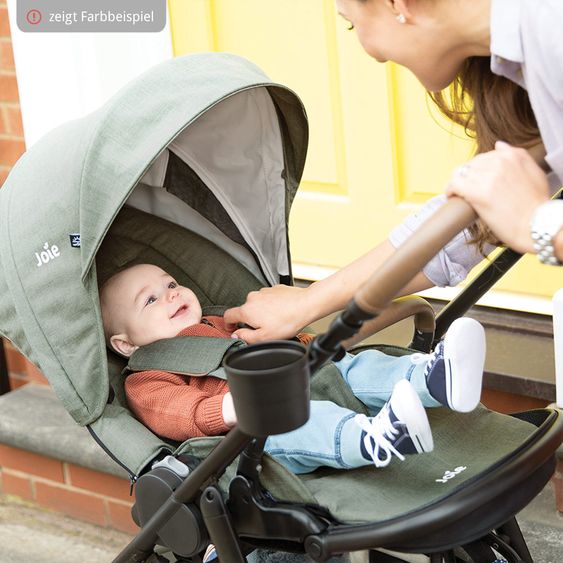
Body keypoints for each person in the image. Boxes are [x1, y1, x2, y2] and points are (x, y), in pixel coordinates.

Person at [223, 0, 563, 344]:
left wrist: (538, 224)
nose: (374, 54)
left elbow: (516, 217)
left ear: (396, 4)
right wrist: (308, 302)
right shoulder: (524, 55)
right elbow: (462, 229)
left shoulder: (552, 30)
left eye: (352, 25)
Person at [99, 264, 486, 475]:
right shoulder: (147, 376)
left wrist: (310, 346)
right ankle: (374, 438)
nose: (171, 293)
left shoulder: (225, 321)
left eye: (172, 282)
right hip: (257, 437)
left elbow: (284, 341)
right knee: (305, 422)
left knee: (355, 365)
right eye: (150, 300)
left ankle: (433, 379)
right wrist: (231, 408)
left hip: (307, 376)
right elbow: (179, 412)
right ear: (125, 344)